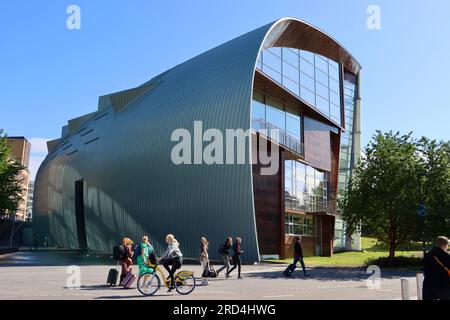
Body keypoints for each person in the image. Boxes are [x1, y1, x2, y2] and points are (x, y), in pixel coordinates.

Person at [423, 236, 450, 300]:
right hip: (444, 286)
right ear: (444, 245)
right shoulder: (446, 256)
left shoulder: (428, 255)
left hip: (428, 286)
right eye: (448, 245)